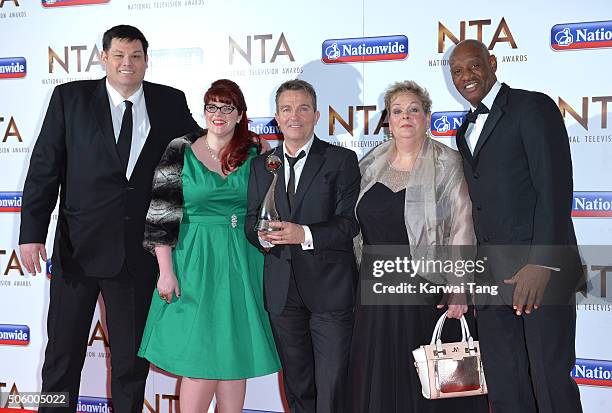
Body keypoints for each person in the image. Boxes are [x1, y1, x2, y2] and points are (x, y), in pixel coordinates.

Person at [18, 25, 199, 413]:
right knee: (62, 359)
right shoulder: (70, 98)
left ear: (147, 60)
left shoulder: (170, 102)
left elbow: (204, 151)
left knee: (132, 367)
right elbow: (45, 168)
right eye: (118, 55)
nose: (127, 63)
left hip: (138, 256)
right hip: (76, 252)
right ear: (103, 57)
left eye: (135, 56)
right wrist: (31, 232)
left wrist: (252, 149)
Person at [449, 39, 583, 413]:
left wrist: (542, 263)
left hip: (538, 272)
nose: (466, 77)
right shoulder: (464, 131)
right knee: (506, 384)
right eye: (457, 71)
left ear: (492, 63)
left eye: (474, 66)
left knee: (549, 380)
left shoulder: (532, 107)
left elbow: (554, 188)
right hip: (491, 277)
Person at [138, 79, 280, 413]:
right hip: (193, 260)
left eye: (227, 106)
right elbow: (161, 214)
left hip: (243, 260)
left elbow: (273, 205)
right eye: (212, 106)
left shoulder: (258, 151)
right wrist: (165, 272)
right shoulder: (179, 149)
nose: (218, 114)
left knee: (234, 356)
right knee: (199, 359)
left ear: (240, 113)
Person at [347, 80, 489, 413]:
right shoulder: (370, 164)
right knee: (381, 379)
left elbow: (463, 228)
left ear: (427, 117)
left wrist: (458, 286)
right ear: (388, 120)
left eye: (414, 110)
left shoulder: (449, 164)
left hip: (427, 291)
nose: (405, 117)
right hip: (376, 293)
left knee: (428, 384)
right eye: (397, 111)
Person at [245, 79, 360, 413]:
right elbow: (252, 220)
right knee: (297, 385)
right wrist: (261, 237)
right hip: (282, 292)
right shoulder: (261, 165)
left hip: (330, 292)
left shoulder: (341, 160)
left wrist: (304, 234)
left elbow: (348, 223)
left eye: (303, 108)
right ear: (277, 118)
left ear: (316, 115)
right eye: (286, 109)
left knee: (333, 384)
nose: (295, 116)